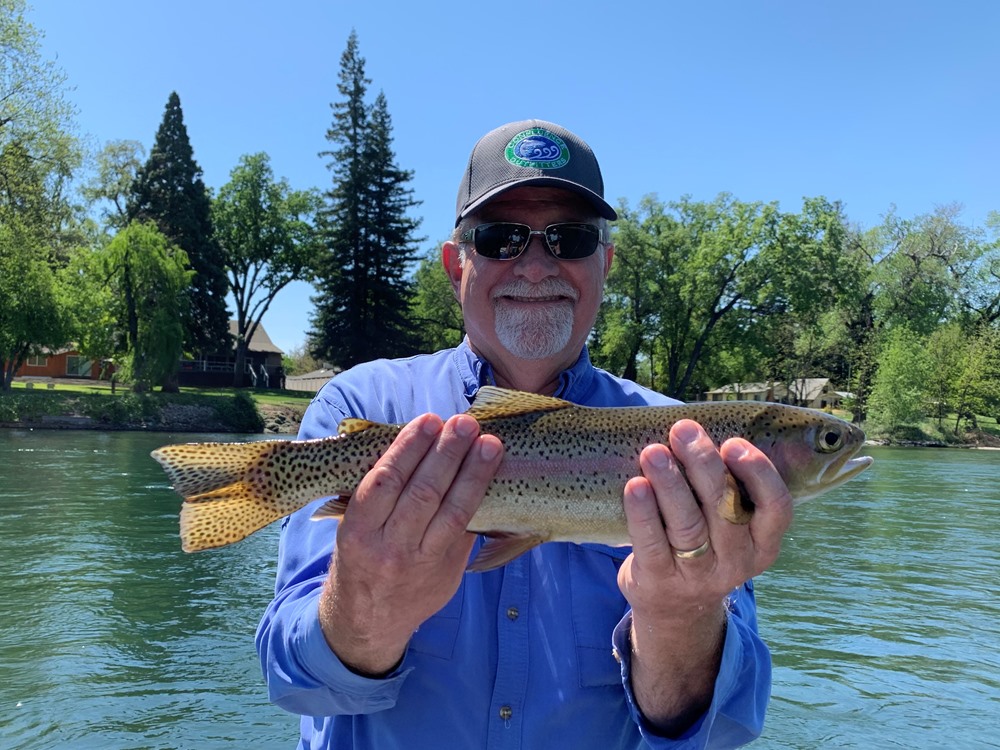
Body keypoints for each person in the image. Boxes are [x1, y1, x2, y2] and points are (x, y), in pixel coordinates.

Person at [256, 119, 793, 749]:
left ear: (604, 264)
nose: (536, 266)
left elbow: (722, 732)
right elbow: (293, 684)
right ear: (456, 265)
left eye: (570, 239)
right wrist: (364, 610)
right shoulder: (361, 403)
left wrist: (682, 618)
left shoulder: (686, 448)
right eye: (502, 238)